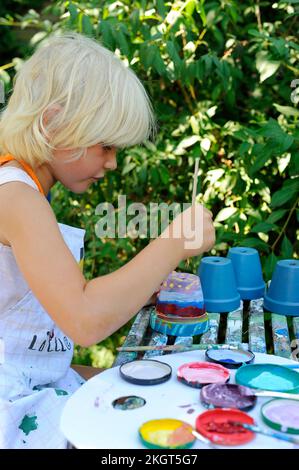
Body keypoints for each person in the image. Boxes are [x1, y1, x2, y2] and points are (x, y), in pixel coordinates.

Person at [0, 32, 215, 448]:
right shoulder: (14, 196)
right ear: (52, 123)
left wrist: (137, 289)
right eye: (106, 146)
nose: (112, 163)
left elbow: (66, 300)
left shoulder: (26, 187)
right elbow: (84, 319)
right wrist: (173, 243)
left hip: (34, 377)